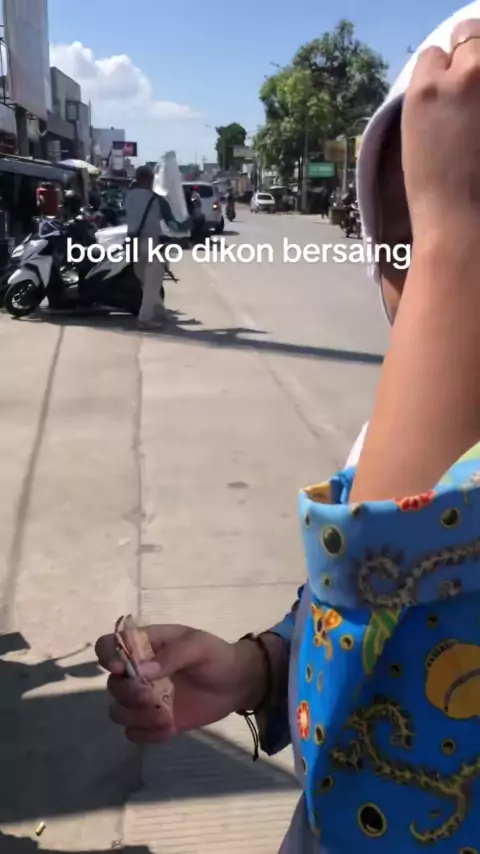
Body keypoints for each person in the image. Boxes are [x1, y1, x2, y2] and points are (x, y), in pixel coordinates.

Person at [96, 5, 480, 850]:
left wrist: (455, 248)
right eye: (404, 248)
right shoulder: (400, 428)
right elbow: (364, 628)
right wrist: (262, 668)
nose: (430, 295)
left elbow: (393, 738)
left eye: (459, 230)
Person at [125, 165, 188, 328]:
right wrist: (184, 227)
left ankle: (159, 311)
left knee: (145, 280)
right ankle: (144, 319)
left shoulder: (129, 197)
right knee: (153, 282)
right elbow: (171, 221)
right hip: (151, 242)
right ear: (151, 180)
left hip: (132, 243)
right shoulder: (156, 199)